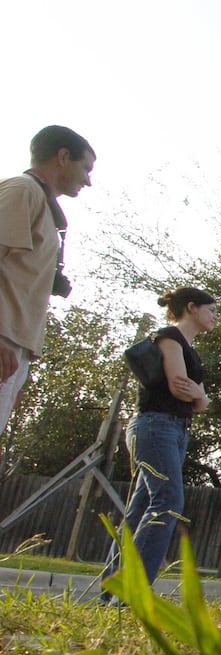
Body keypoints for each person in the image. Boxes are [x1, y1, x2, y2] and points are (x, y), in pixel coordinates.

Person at [100, 288, 216, 598]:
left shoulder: (192, 352)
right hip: (154, 427)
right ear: (191, 308)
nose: (215, 316)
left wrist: (199, 394)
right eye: (211, 310)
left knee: (139, 511)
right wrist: (197, 395)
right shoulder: (169, 338)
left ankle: (111, 593)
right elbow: (181, 391)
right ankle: (131, 594)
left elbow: (202, 402)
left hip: (176, 430)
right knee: (167, 504)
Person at [1, 125, 95, 434]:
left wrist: (20, 371)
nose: (88, 180)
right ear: (63, 156)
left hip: (15, 349)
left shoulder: (39, 203)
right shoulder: (22, 190)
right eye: (86, 168)